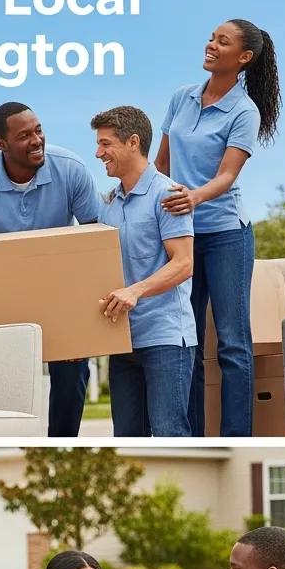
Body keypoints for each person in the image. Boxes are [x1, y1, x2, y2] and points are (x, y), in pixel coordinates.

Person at [0, 102, 103, 437]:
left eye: (39, 130)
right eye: (24, 136)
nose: (36, 140)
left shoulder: (71, 169)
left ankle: (62, 445)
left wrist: (83, 320)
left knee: (73, 370)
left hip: (63, 287)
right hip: (5, 291)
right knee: (3, 377)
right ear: (1, 144)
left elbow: (97, 242)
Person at [155, 19, 281, 437]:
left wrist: (194, 197)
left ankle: (237, 437)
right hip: (182, 234)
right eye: (211, 37)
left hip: (226, 233)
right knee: (186, 339)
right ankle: (188, 435)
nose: (211, 44)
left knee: (232, 343)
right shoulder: (182, 97)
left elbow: (227, 175)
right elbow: (161, 164)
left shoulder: (244, 111)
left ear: (243, 57)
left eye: (222, 41)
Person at [92, 105, 196, 436]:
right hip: (123, 341)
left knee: (169, 435)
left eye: (105, 144)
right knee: (126, 441)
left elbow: (184, 263)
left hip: (166, 338)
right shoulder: (109, 204)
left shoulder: (167, 194)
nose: (98, 153)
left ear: (133, 142)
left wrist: (135, 291)